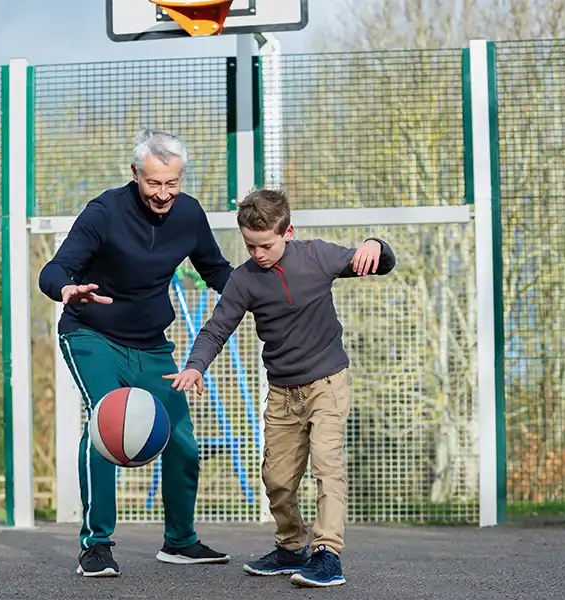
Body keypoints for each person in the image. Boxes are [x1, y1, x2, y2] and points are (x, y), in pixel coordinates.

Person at [164, 188, 396, 588]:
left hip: (327, 383)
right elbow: (217, 328)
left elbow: (379, 263)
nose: (257, 253)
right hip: (283, 394)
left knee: (327, 464)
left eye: (265, 244)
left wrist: (377, 244)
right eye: (249, 245)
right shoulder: (244, 280)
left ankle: (327, 553)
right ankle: (291, 547)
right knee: (277, 478)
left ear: (287, 232)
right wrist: (195, 365)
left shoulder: (317, 256)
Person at [38, 129, 234, 577]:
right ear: (135, 175)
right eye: (153, 184)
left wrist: (261, 291)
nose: (163, 194)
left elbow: (216, 270)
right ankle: (96, 545)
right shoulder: (103, 212)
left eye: (172, 183)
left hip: (151, 343)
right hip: (91, 335)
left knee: (182, 438)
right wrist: (67, 289)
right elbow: (55, 269)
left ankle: (180, 541)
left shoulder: (188, 215)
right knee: (105, 425)